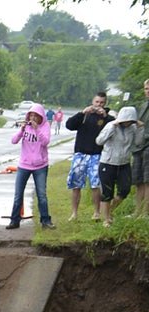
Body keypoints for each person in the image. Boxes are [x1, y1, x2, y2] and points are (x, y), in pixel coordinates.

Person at [65, 92, 113, 221]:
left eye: (102, 103)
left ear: (105, 103)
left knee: (95, 185)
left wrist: (105, 116)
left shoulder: (107, 118)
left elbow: (114, 128)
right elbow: (69, 125)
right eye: (97, 102)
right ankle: (74, 213)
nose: (99, 105)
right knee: (76, 184)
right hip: (80, 154)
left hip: (97, 154)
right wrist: (82, 113)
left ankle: (96, 212)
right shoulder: (85, 115)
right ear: (93, 102)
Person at [95, 106, 145, 227]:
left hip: (124, 163)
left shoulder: (133, 128)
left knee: (125, 189)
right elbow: (99, 141)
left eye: (130, 121)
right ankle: (106, 219)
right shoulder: (111, 126)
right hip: (108, 162)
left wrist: (140, 129)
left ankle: (110, 210)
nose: (128, 123)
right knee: (107, 192)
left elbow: (138, 143)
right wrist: (112, 128)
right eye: (126, 121)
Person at [7, 103, 54, 230]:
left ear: (41, 117)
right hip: (24, 164)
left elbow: (45, 142)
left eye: (36, 116)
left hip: (40, 165)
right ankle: (14, 220)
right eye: (31, 115)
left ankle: (45, 220)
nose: (33, 118)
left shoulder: (45, 127)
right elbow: (13, 140)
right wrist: (22, 130)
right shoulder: (26, 128)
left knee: (41, 194)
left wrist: (37, 129)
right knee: (18, 194)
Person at [134, 79, 149, 218]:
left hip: (148, 147)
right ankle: (137, 212)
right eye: (146, 88)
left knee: (147, 181)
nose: (147, 91)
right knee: (138, 181)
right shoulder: (143, 105)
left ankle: (145, 213)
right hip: (138, 147)